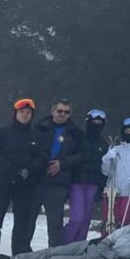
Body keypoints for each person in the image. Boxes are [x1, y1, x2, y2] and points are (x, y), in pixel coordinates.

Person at [0, 98, 50, 259]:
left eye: (28, 112)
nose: (25, 115)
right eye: (22, 112)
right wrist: (11, 170)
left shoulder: (38, 136)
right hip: (2, 183)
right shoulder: (1, 132)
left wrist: (28, 170)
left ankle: (20, 255)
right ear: (15, 114)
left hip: (26, 184)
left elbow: (43, 157)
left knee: (23, 221)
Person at [0, 207, 130, 259]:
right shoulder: (128, 228)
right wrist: (115, 257)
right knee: (53, 251)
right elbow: (106, 242)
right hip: (90, 246)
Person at [32, 98, 81, 248]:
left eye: (66, 112)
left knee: (55, 224)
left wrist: (62, 164)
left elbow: (80, 155)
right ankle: (21, 252)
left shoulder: (76, 132)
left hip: (58, 182)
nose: (63, 114)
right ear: (53, 112)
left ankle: (55, 254)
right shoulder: (39, 128)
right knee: (27, 220)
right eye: (59, 111)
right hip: (36, 180)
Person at [65, 109, 109, 244]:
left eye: (99, 123)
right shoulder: (79, 137)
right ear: (88, 122)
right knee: (77, 218)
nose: (96, 125)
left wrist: (101, 188)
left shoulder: (103, 143)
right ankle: (64, 244)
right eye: (94, 122)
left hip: (93, 184)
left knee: (85, 220)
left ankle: (78, 246)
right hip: (77, 183)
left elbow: (104, 168)